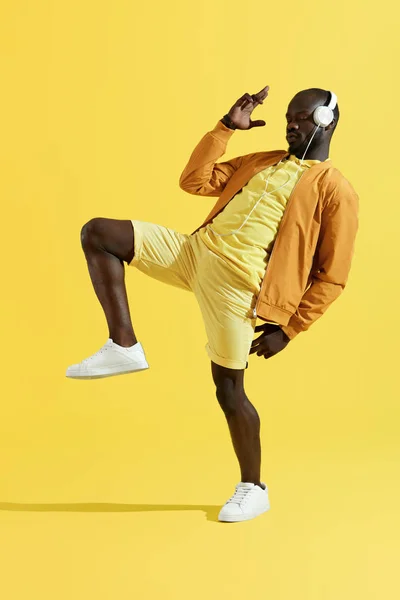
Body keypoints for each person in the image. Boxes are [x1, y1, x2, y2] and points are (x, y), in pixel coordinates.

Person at [66, 85, 359, 523]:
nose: (291, 124)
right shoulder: (263, 160)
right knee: (99, 233)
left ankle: (253, 487)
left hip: (237, 288)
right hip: (192, 253)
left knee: (229, 391)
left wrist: (290, 328)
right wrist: (225, 129)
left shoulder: (335, 190)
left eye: (302, 117)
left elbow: (332, 276)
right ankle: (124, 344)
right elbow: (194, 181)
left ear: (326, 121)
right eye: (288, 116)